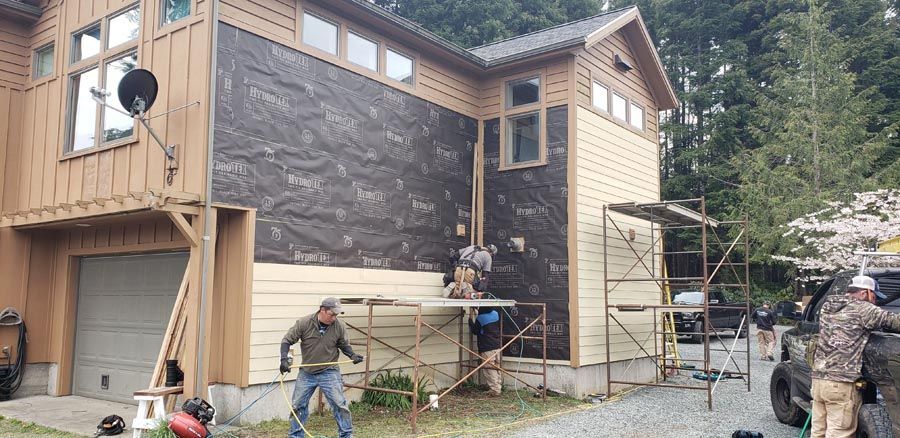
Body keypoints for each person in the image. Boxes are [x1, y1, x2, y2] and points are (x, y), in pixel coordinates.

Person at [810, 275, 900, 438]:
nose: (875, 302)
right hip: (840, 383)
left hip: (819, 380)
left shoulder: (829, 306)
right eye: (874, 296)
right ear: (866, 293)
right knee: (839, 433)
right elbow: (895, 322)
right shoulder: (864, 309)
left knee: (819, 431)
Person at [280, 297, 364, 438]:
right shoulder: (304, 323)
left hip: (329, 371)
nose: (334, 318)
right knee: (297, 406)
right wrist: (283, 359)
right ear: (322, 310)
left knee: (339, 404)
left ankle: (346, 435)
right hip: (307, 372)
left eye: (336, 315)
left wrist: (352, 355)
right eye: (332, 314)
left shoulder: (339, 326)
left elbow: (343, 344)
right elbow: (287, 340)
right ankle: (295, 435)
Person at [468, 306, 502, 396]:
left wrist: (470, 322)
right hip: (497, 345)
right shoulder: (495, 313)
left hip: (487, 347)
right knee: (496, 366)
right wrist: (477, 311)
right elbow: (485, 321)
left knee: (489, 369)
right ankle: (498, 386)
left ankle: (495, 390)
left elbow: (475, 331)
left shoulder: (480, 318)